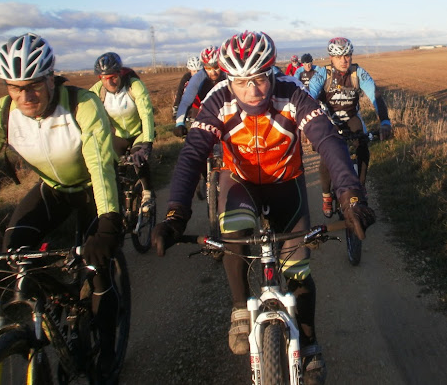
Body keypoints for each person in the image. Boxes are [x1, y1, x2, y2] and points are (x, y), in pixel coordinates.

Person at [153, 31, 375, 384]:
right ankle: (241, 308)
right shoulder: (217, 100)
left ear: (271, 71)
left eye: (259, 79)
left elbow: (327, 140)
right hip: (240, 181)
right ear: (228, 79)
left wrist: (350, 195)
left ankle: (311, 344)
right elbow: (193, 153)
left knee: (298, 269)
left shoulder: (292, 94)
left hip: (287, 184)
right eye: (241, 82)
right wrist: (176, 212)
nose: (252, 91)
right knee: (235, 233)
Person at [0, 33, 122, 378]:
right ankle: (56, 300)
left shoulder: (82, 104)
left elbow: (100, 166)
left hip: (92, 188)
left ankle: (107, 352)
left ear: (50, 78)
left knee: (98, 268)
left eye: (34, 85)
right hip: (54, 188)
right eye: (15, 87)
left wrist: (108, 223)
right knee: (14, 251)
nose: (25, 97)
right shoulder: (0, 114)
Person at [308, 36, 393, 217]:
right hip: (330, 119)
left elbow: (375, 96)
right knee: (328, 154)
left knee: (363, 144)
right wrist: (309, 127)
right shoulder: (323, 74)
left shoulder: (358, 73)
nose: (344, 60)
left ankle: (361, 186)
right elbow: (310, 98)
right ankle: (326, 195)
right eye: (339, 57)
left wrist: (385, 122)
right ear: (331, 58)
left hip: (352, 117)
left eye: (347, 56)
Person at [90, 52, 157, 212]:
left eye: (113, 76)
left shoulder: (134, 86)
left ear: (120, 73)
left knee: (138, 159)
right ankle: (116, 203)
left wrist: (147, 142)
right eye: (104, 78)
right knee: (111, 165)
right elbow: (86, 112)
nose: (109, 82)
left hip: (139, 132)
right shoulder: (98, 91)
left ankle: (147, 193)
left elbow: (146, 113)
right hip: (119, 135)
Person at [173, 46, 226, 137]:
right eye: (208, 68)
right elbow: (186, 101)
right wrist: (179, 123)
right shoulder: (198, 78)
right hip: (208, 111)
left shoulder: (228, 74)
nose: (213, 72)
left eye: (216, 67)